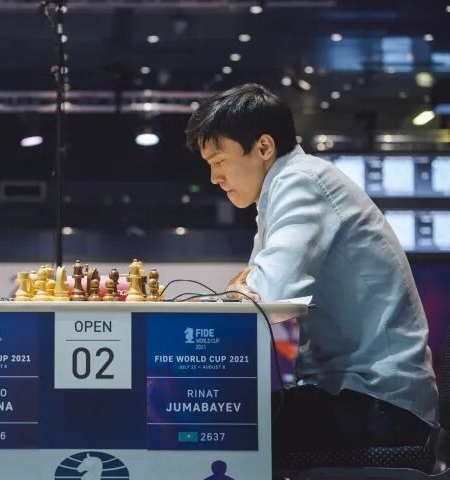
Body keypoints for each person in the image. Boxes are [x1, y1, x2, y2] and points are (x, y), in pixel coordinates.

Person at [185, 84, 437, 464]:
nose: (214, 177)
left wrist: (249, 286)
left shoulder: (300, 182)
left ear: (264, 147)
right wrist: (249, 286)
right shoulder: (281, 189)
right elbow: (253, 290)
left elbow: (264, 295)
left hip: (381, 404)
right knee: (220, 419)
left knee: (221, 425)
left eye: (218, 160)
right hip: (356, 394)